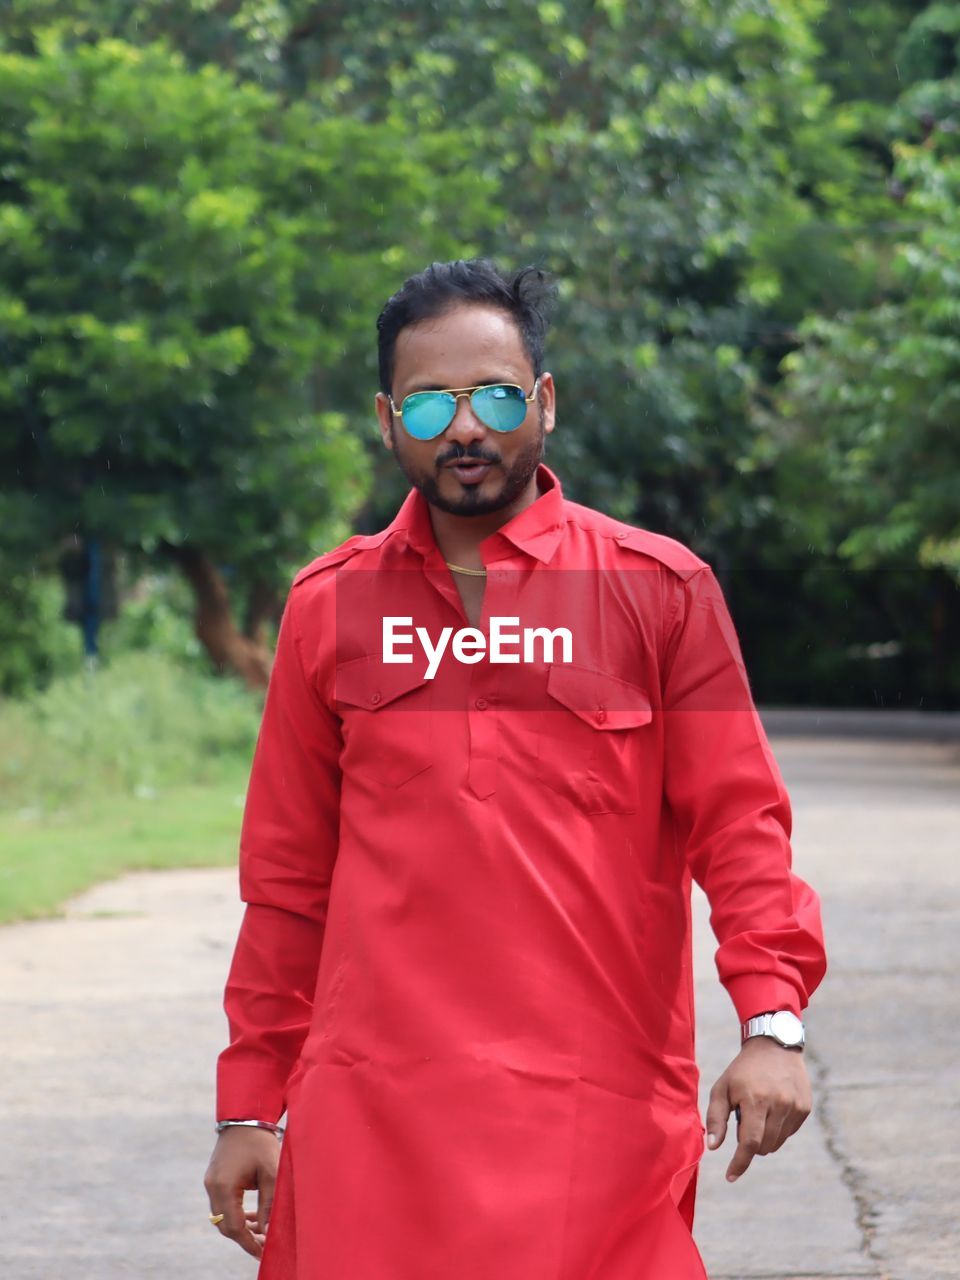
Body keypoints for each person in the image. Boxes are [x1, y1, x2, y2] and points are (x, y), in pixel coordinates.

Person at [204, 258, 826, 1278]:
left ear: (545, 400)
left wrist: (773, 1024)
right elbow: (285, 886)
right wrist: (247, 1100)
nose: (465, 428)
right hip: (373, 1123)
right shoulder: (330, 606)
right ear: (385, 416)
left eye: (495, 395)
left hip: (598, 1119)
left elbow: (741, 825)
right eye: (429, 401)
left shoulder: (661, 592)